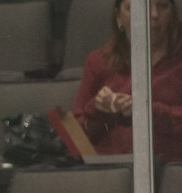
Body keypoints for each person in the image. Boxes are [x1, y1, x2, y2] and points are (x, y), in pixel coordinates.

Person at [72, 0, 182, 162]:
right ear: (118, 16)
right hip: (109, 168)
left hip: (169, 168)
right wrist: (98, 109)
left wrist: (149, 112)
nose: (154, 15)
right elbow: (75, 139)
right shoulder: (98, 60)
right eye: (137, 8)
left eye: (163, 6)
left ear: (174, 12)